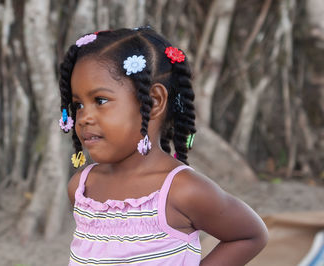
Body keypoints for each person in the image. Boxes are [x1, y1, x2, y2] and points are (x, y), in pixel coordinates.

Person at [59, 27, 268, 265]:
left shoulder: (181, 190)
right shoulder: (82, 187)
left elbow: (249, 235)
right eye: (78, 105)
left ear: (155, 101)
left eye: (100, 100)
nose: (84, 117)